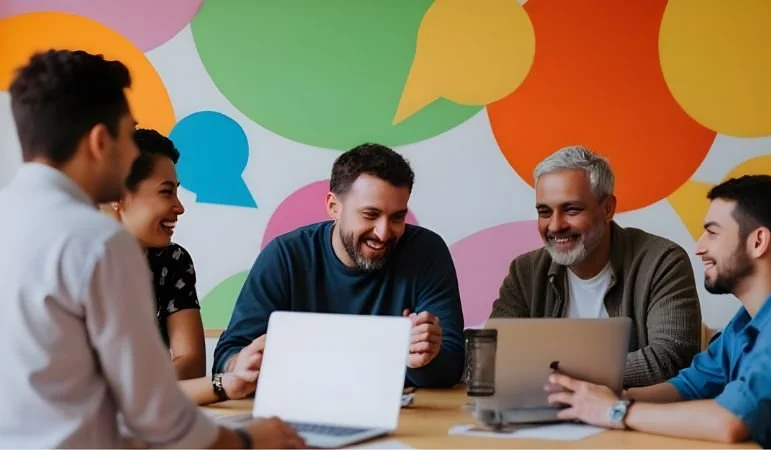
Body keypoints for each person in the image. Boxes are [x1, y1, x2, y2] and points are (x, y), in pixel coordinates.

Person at [0, 49, 304, 448]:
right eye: (129, 135)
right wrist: (249, 441)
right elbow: (158, 418)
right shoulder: (99, 243)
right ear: (100, 141)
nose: (131, 154)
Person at [544, 175, 771, 448]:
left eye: (712, 232)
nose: (699, 247)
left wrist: (615, 411)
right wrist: (603, 398)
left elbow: (730, 421)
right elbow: (689, 387)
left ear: (758, 241)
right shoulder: (746, 321)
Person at [213, 143, 465, 388]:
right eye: (370, 215)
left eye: (397, 217)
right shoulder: (285, 256)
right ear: (334, 207)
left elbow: (452, 364)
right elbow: (226, 357)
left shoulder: (426, 252)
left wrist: (422, 361)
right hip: (295, 412)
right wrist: (240, 364)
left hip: (402, 419)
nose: (384, 232)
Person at [490, 146, 701, 387]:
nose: (555, 225)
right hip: (539, 416)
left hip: (630, 418)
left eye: (571, 210)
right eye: (545, 212)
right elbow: (490, 356)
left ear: (608, 208)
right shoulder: (525, 272)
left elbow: (671, 360)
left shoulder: (662, 262)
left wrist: (554, 374)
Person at [100, 128, 204, 380]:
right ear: (118, 195)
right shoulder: (72, 262)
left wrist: (133, 389)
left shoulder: (173, 261)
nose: (179, 208)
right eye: (166, 192)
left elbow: (192, 364)